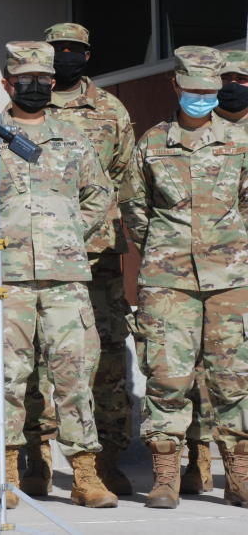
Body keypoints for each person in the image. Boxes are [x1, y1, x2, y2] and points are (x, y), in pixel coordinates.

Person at [0, 41, 117, 509]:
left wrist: (68, 233)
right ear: (7, 84)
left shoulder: (73, 138)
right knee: (5, 378)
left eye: (44, 80)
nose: (37, 87)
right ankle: (5, 476)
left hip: (66, 278)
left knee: (73, 375)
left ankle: (84, 475)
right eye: (27, 81)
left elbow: (99, 194)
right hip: (7, 277)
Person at [120, 46, 248, 509]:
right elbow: (135, 208)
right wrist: (163, 249)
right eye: (193, 89)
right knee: (167, 377)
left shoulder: (240, 141)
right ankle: (166, 476)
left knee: (233, 379)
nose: (201, 97)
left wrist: (233, 247)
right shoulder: (153, 142)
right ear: (176, 86)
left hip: (230, 280)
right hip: (167, 280)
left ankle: (238, 473)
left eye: (209, 91)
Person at [17, 23, 137, 496]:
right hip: (41, 257)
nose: (66, 58)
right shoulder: (26, 108)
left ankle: (106, 459)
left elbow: (126, 181)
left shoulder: (110, 109)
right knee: (41, 362)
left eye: (74, 51)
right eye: (57, 51)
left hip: (99, 255)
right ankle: (38, 457)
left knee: (104, 357)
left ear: (87, 56)